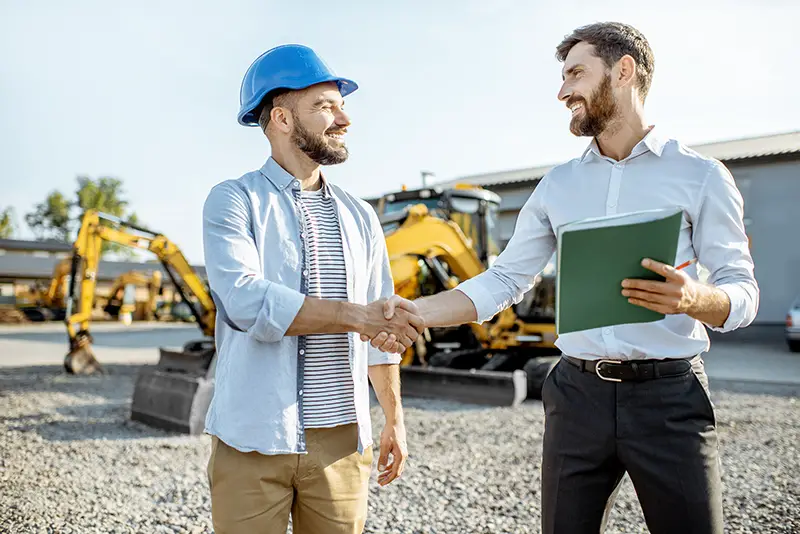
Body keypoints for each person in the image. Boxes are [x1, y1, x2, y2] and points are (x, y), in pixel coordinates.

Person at [369, 22, 758, 534]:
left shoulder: (701, 176)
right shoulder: (559, 185)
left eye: (576, 73)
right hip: (577, 396)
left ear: (624, 71)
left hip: (670, 398)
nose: (563, 91)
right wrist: (417, 311)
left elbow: (743, 290)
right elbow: (504, 279)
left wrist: (695, 299)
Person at [202, 44, 422, 534]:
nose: (344, 118)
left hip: (342, 445)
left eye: (342, 106)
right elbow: (244, 300)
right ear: (281, 118)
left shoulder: (361, 216)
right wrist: (354, 316)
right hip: (252, 439)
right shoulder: (234, 201)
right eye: (326, 106)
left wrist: (394, 419)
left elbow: (380, 325)